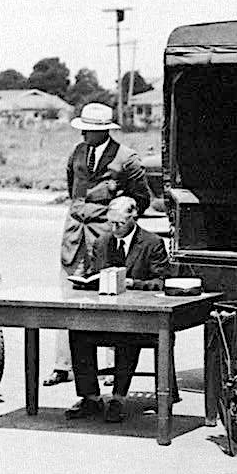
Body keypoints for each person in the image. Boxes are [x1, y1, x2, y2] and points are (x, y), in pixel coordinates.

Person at [44, 102, 152, 387]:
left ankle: (112, 368)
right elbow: (73, 188)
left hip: (106, 238)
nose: (83, 135)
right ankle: (63, 365)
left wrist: (117, 217)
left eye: (89, 130)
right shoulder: (78, 152)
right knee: (69, 298)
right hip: (75, 237)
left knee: (109, 298)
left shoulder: (127, 158)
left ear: (104, 131)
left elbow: (141, 199)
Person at [65, 196, 171, 423]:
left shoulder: (152, 243)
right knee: (78, 332)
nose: (114, 229)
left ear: (134, 217)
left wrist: (134, 284)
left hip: (140, 319)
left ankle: (118, 399)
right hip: (107, 314)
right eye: (111, 223)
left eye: (119, 224)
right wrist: (85, 282)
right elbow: (94, 274)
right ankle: (90, 397)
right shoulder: (102, 243)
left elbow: (162, 282)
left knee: (127, 335)